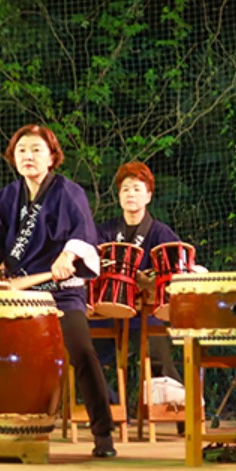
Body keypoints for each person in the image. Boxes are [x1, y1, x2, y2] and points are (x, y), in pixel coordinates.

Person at [0, 124, 117, 458]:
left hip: (61, 291)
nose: (28, 156)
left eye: (36, 150)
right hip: (21, 295)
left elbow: (83, 231)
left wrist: (67, 256)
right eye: (21, 150)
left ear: (51, 157)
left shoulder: (68, 192)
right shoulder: (8, 197)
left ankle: (103, 433)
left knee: (82, 351)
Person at [96, 161, 184, 384]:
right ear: (119, 196)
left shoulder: (161, 233)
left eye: (137, 188)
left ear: (148, 196)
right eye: (125, 189)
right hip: (107, 313)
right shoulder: (105, 231)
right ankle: (110, 402)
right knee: (81, 355)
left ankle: (179, 401)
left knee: (160, 362)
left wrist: (148, 282)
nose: (130, 194)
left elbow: (177, 270)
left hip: (144, 314)